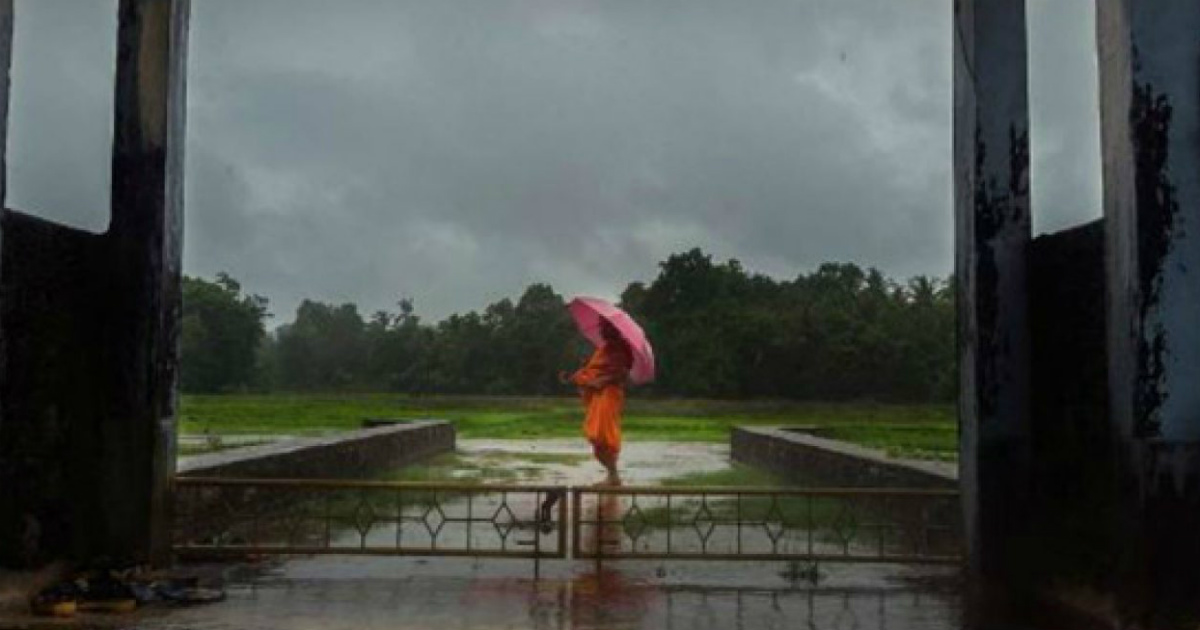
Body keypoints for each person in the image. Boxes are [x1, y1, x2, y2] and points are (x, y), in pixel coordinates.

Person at [560, 319, 633, 485]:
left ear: (615, 329)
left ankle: (613, 475)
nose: (602, 331)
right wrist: (573, 378)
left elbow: (622, 375)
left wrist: (603, 381)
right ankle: (612, 475)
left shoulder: (620, 349)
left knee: (602, 435)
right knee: (596, 438)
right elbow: (592, 371)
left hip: (609, 394)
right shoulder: (603, 349)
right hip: (597, 395)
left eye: (606, 327)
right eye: (602, 327)